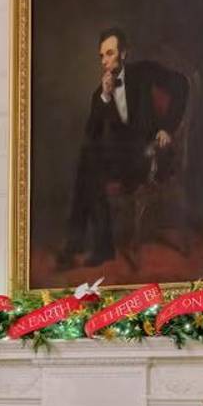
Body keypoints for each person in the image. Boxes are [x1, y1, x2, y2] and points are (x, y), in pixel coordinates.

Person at [59, 28, 189, 269]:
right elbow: (92, 134)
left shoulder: (145, 72)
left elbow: (182, 84)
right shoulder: (100, 93)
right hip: (123, 160)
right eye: (101, 56)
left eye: (110, 53)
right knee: (89, 161)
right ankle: (92, 245)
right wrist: (105, 98)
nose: (105, 61)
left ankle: (85, 245)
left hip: (151, 154)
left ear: (124, 53)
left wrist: (167, 128)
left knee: (89, 167)